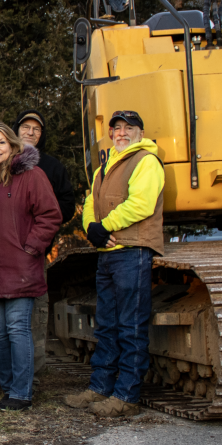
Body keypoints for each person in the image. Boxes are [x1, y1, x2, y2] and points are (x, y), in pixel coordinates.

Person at [64, 110, 164, 418]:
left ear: (140, 132)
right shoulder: (104, 167)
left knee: (130, 326)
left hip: (133, 252)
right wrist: (94, 230)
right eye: (116, 128)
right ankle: (100, 387)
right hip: (108, 254)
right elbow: (90, 204)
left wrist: (104, 226)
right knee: (106, 325)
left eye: (128, 128)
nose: (121, 132)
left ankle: (126, 396)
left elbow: (141, 203)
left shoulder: (146, 161)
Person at [0, 122, 61, 412]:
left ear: (12, 146)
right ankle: (8, 388)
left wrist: (30, 247)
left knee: (17, 328)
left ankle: (21, 391)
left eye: (1, 143)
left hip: (20, 266)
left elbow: (50, 215)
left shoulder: (31, 176)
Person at [13, 109, 75, 379]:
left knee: (34, 314)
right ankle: (1, 374)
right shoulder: (3, 159)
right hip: (2, 253)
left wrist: (37, 232)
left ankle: (32, 374)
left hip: (36, 253)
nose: (30, 132)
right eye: (25, 127)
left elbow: (65, 205)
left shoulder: (51, 167)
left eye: (36, 129)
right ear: (15, 131)